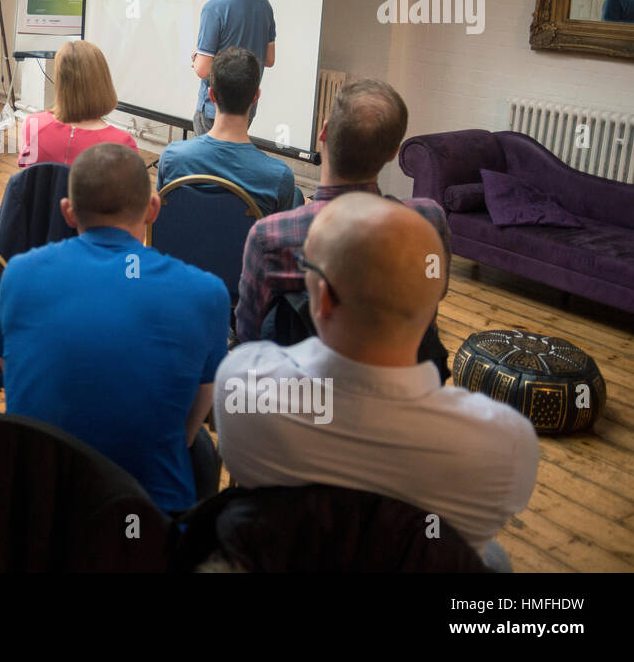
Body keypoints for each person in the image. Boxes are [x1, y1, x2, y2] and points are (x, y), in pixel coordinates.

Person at [215, 193, 539, 568]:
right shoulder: (507, 442)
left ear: (323, 299)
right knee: (494, 559)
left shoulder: (240, 385)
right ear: (433, 300)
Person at [0, 142, 230, 515]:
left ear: (68, 213)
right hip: (147, 522)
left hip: (35, 517)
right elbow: (186, 425)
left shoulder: (17, 274)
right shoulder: (207, 295)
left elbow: (14, 373)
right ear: (153, 208)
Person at [234, 78, 452, 378]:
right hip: (400, 385)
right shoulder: (429, 220)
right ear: (392, 152)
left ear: (323, 132)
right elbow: (431, 300)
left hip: (295, 394)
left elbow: (249, 333)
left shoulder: (271, 236)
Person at [157, 46, 303, 215]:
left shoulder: (171, 159)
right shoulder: (278, 177)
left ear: (211, 95)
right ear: (256, 96)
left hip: (181, 242)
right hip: (244, 243)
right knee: (295, 196)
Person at [191, 0, 276, 137]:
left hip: (214, 111)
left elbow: (203, 70)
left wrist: (195, 58)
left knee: (208, 167)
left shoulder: (214, 8)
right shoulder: (263, 2)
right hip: (246, 109)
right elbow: (269, 59)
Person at [17, 40, 137, 167]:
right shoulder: (122, 144)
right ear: (103, 81)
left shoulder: (33, 125)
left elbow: (26, 180)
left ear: (60, 81)